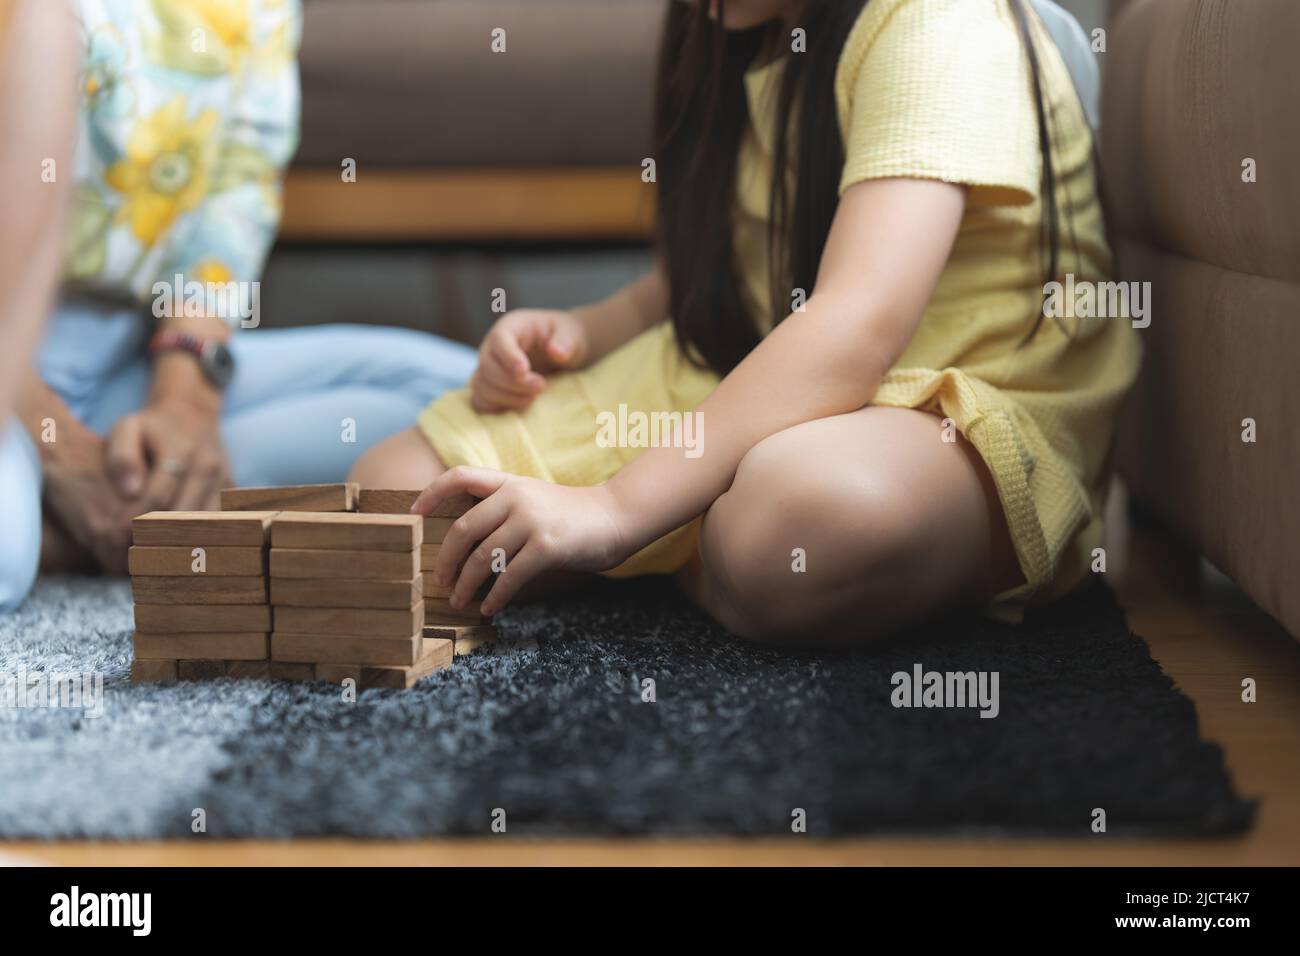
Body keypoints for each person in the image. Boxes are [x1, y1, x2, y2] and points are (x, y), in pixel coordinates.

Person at [351, 0, 1142, 646]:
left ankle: (686, 537)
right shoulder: (759, 36)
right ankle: (699, 536)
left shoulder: (938, 20)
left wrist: (619, 507)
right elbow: (720, 274)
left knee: (792, 527)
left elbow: (858, 322)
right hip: (775, 380)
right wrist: (578, 332)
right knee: (398, 503)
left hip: (955, 407)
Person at [0, 0, 475, 611]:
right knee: (5, 560)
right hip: (18, 358)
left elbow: (236, 188)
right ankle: (69, 525)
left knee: (457, 397)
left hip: (124, 359)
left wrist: (183, 404)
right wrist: (60, 446)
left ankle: (141, 497)